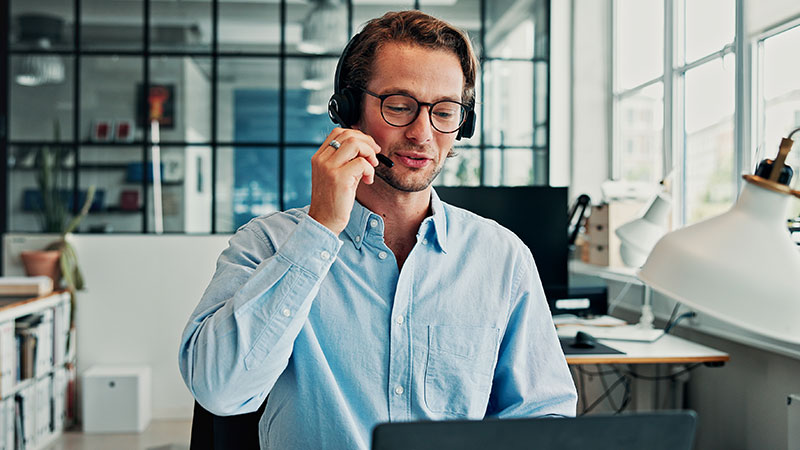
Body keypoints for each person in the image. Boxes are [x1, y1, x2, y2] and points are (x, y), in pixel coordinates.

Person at [178, 10, 577, 450]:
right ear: (349, 110)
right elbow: (219, 390)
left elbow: (543, 416)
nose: (423, 134)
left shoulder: (501, 258)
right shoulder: (267, 244)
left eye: (444, 111)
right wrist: (321, 230)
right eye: (400, 107)